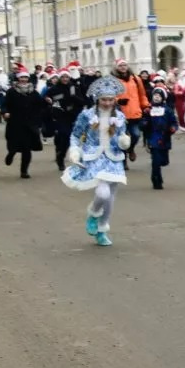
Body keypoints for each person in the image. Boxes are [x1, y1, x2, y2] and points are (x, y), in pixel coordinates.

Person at [61, 76, 131, 247]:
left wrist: (124, 141)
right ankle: (93, 214)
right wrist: (75, 151)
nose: (107, 103)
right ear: (97, 99)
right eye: (104, 99)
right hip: (94, 157)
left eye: (110, 100)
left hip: (114, 158)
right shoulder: (87, 115)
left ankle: (102, 230)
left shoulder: (120, 116)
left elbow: (122, 136)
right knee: (102, 193)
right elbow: (76, 135)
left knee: (111, 196)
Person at [2, 67, 46, 179]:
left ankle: (24, 171)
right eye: (22, 77)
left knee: (27, 148)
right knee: (13, 145)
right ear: (18, 78)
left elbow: (40, 105)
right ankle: (11, 154)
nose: (24, 79)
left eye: (26, 77)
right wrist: (5, 112)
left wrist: (47, 102)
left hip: (29, 124)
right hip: (15, 123)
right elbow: (5, 104)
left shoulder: (33, 92)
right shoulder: (11, 91)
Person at [112, 58, 150, 168]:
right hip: (119, 114)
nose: (123, 67)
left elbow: (142, 94)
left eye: (124, 65)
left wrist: (146, 105)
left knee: (136, 135)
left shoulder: (136, 79)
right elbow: (107, 95)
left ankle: (131, 148)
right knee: (122, 139)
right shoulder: (113, 80)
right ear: (116, 67)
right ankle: (123, 160)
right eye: (120, 66)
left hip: (134, 112)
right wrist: (118, 100)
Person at [45, 69, 86, 171]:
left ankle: (61, 156)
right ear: (59, 78)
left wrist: (73, 97)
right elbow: (47, 98)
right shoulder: (54, 89)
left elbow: (82, 101)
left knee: (68, 138)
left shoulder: (74, 88)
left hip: (73, 115)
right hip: (60, 115)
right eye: (63, 77)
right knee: (63, 134)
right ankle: (60, 154)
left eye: (67, 77)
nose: (65, 79)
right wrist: (48, 100)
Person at [143, 86, 178, 190]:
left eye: (159, 96)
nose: (156, 98)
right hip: (153, 137)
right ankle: (156, 180)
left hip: (165, 138)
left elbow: (174, 123)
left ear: (163, 98)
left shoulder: (167, 110)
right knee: (156, 161)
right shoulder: (149, 110)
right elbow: (143, 121)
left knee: (164, 161)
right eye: (155, 96)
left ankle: (158, 174)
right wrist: (144, 123)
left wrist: (172, 128)